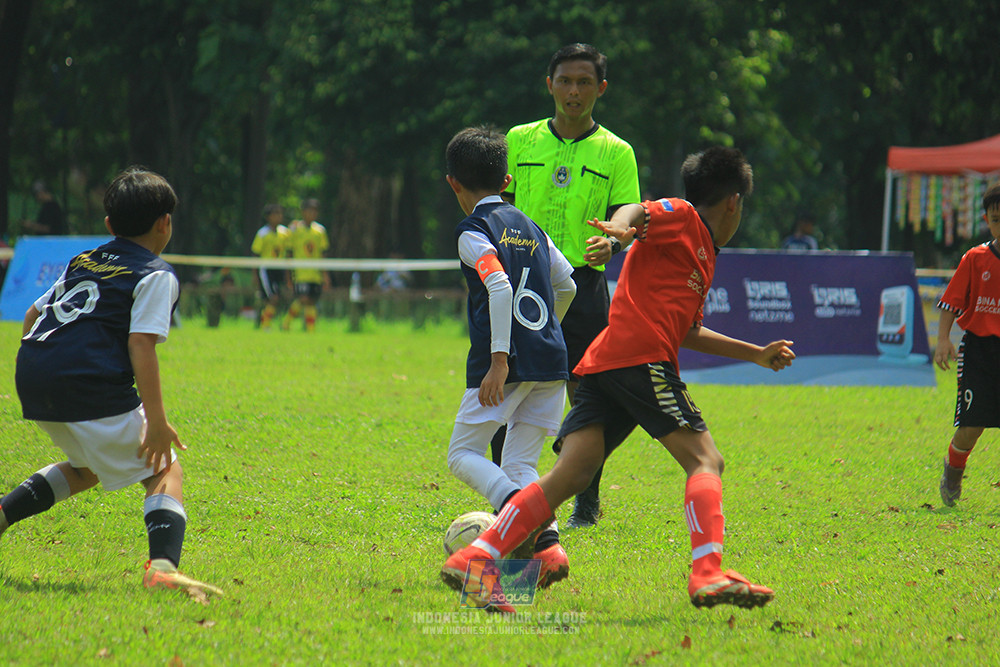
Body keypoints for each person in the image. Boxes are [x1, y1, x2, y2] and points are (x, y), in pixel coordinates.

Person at [442, 147, 796, 613]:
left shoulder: (704, 254)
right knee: (706, 461)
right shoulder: (686, 216)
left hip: (604, 365)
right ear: (734, 202)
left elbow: (689, 331)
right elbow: (643, 212)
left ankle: (477, 556)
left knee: (572, 474)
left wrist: (756, 354)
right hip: (638, 360)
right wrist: (623, 227)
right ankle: (708, 571)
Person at [0, 167, 221, 596]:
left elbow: (31, 315)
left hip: (35, 373)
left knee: (86, 469)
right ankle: (162, 569)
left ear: (108, 225)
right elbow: (141, 344)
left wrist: (44, 369)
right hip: (86, 382)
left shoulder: (83, 259)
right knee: (163, 469)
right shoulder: (156, 273)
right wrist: (156, 421)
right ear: (165, 223)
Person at [497, 43, 641, 528]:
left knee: (587, 393)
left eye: (584, 82)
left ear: (600, 89)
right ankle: (505, 495)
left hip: (584, 283)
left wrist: (615, 240)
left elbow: (628, 211)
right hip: (523, 280)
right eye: (565, 80)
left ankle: (586, 499)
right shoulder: (519, 139)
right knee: (509, 381)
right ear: (549, 84)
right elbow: (499, 204)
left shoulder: (618, 151)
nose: (573, 90)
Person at [443, 125, 578, 591]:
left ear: (453, 183)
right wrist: (546, 333)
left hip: (509, 365)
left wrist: (501, 359)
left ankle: (511, 525)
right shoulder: (533, 227)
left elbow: (498, 285)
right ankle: (549, 548)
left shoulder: (472, 231)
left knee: (462, 454)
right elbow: (569, 285)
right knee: (520, 464)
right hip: (551, 363)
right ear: (506, 180)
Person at [935, 184, 1000, 507]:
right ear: (987, 220)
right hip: (979, 352)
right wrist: (943, 340)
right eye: (996, 219)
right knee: (972, 427)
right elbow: (950, 303)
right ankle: (953, 470)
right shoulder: (975, 259)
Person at [282, 198, 330, 332]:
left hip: (314, 273)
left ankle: (310, 329)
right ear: (303, 212)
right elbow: (289, 252)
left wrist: (325, 274)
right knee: (303, 298)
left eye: (314, 211)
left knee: (312, 300)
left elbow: (323, 253)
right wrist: (288, 275)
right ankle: (286, 322)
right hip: (300, 272)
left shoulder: (320, 231)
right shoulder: (295, 230)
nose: (311, 214)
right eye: (309, 211)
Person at [252, 203, 290, 329]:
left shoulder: (285, 233)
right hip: (266, 269)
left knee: (277, 298)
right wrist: (255, 274)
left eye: (280, 214)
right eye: (275, 214)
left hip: (279, 268)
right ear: (268, 217)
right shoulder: (262, 233)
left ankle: (265, 323)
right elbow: (256, 254)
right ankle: (265, 325)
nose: (278, 217)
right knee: (272, 298)